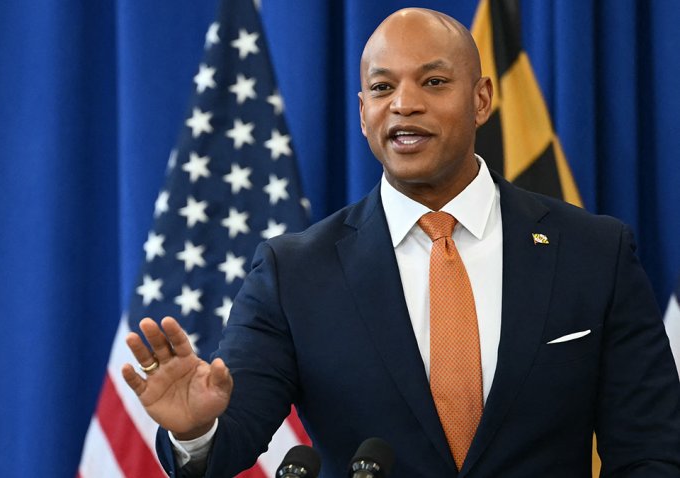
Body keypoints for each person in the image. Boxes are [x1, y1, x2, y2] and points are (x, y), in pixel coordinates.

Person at [122, 8, 680, 477]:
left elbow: (651, 450)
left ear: (482, 99)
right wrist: (196, 430)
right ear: (363, 113)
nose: (403, 104)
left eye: (433, 82)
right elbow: (232, 436)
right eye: (382, 87)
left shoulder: (593, 252)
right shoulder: (293, 273)